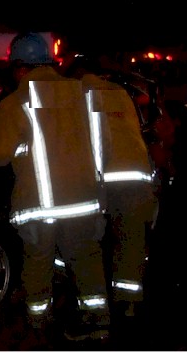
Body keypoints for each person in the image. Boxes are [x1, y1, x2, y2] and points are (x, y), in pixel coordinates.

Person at [0, 33, 110, 344]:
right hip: (83, 200)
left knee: (38, 264)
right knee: (86, 260)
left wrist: (20, 149)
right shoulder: (83, 94)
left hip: (40, 207)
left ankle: (38, 325)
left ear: (20, 68)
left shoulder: (17, 101)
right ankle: (98, 321)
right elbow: (102, 143)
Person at [67, 57, 159, 322]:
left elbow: (88, 141)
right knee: (131, 242)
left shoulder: (80, 93)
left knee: (89, 242)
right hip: (139, 178)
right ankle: (129, 304)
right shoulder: (120, 92)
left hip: (106, 178)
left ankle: (94, 311)